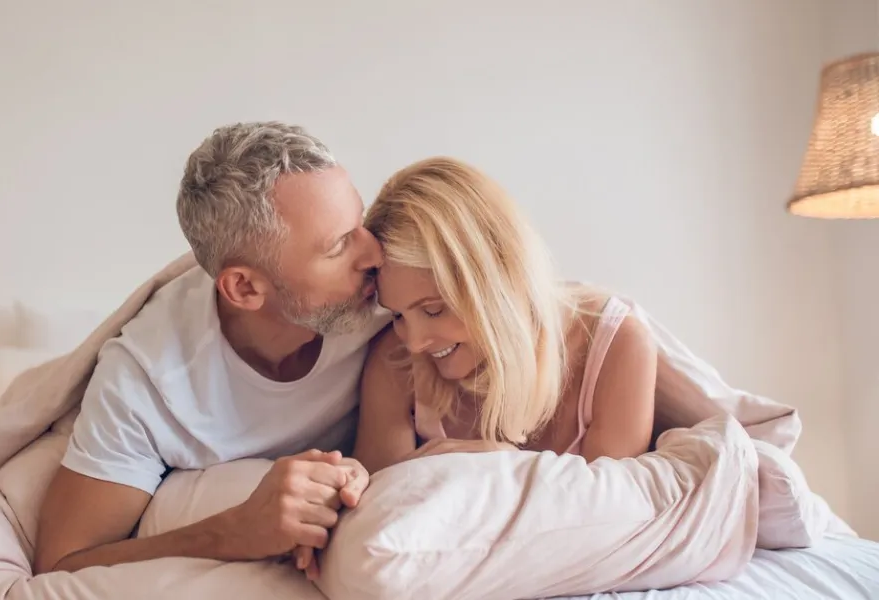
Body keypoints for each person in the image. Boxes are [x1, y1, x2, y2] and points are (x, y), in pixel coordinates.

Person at [33, 122, 389, 579]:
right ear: (244, 288)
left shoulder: (389, 299)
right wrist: (235, 531)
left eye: (359, 222)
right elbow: (62, 564)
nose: (375, 254)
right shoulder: (147, 382)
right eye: (339, 245)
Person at [353, 156, 658, 475]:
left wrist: (509, 466)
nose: (414, 342)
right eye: (399, 315)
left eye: (433, 309)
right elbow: (377, 512)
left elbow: (612, 518)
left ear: (498, 280)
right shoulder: (395, 360)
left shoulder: (615, 345)